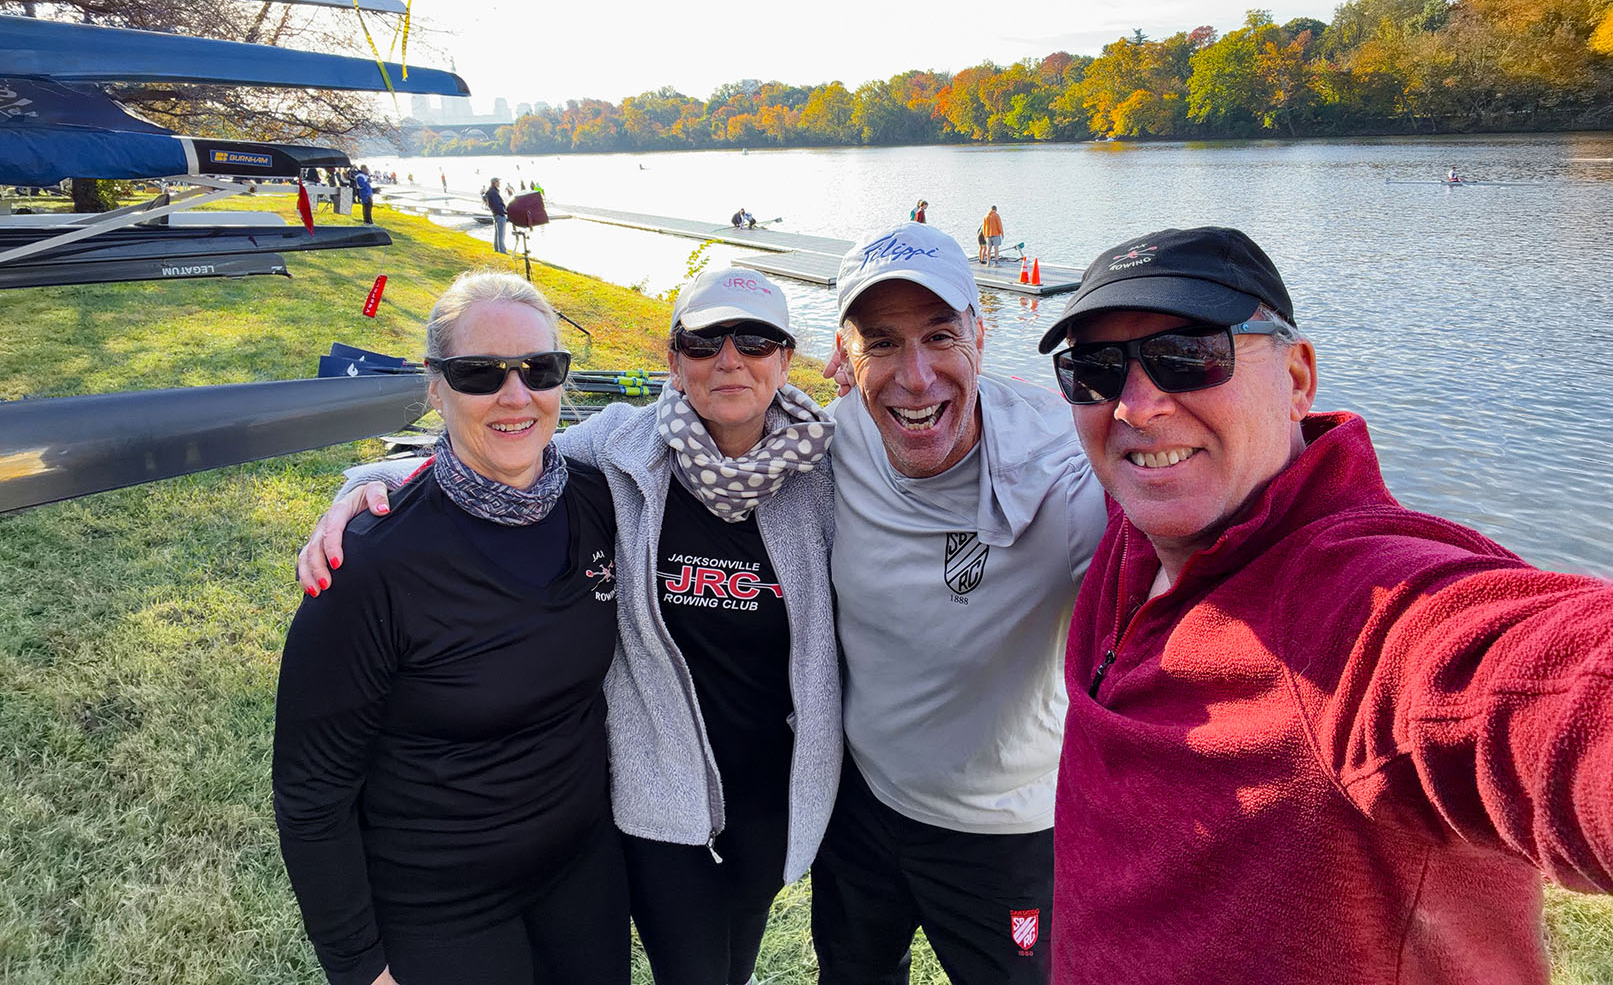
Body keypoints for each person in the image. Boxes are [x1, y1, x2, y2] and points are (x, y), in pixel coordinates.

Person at [1035, 225, 1613, 984]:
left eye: (1189, 355)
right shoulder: (1140, 526)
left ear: (1298, 377)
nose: (1135, 407)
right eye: (1095, 371)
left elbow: (1540, 683)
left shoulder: (1362, 613)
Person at [297, 268, 842, 985]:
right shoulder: (622, 455)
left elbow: (932, 467)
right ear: (674, 360)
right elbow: (491, 452)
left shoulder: (834, 472)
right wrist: (366, 486)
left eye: (756, 338)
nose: (730, 357)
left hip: (765, 799)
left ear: (786, 356)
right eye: (704, 340)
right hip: (654, 800)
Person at [274, 271, 628, 985]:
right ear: (434, 386)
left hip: (582, 869)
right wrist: (359, 968)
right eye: (478, 374)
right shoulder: (372, 565)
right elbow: (312, 791)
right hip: (439, 902)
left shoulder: (602, 500)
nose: (516, 396)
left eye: (541, 369)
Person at [813, 222, 1106, 983]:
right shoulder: (819, 444)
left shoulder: (1066, 473)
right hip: (861, 804)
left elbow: (1215, 560)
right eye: (880, 343)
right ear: (842, 355)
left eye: (939, 336)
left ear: (980, 333)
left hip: (1003, 831)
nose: (914, 377)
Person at [485, 178, 508, 254]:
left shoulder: (490, 191)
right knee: (501, 233)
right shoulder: (493, 192)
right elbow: (496, 205)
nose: (499, 183)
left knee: (497, 233)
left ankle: (497, 249)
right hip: (499, 214)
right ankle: (502, 250)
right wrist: (503, 212)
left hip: (495, 214)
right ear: (494, 183)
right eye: (498, 182)